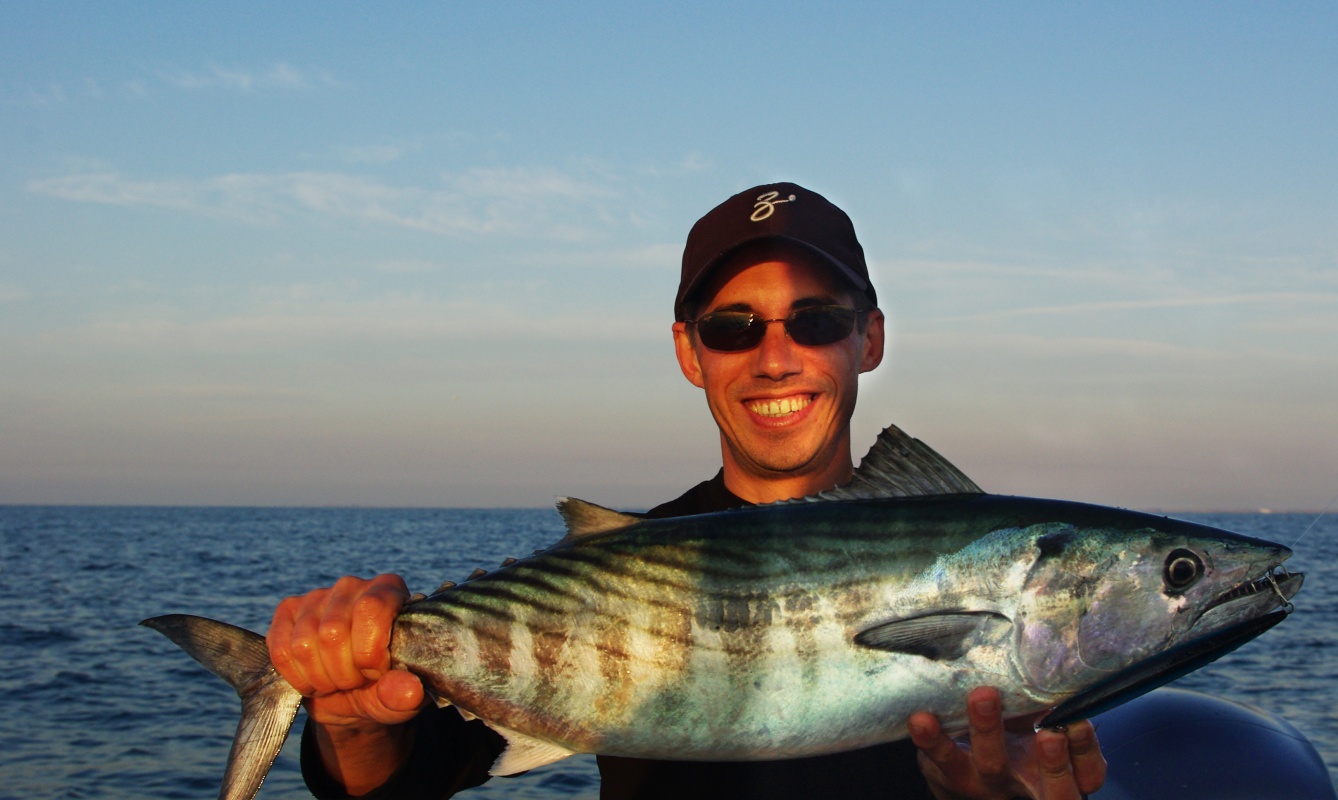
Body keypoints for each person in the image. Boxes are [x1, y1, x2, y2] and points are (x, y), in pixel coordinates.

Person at [266, 183, 1107, 800]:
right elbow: (396, 781)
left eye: (814, 320)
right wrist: (349, 720)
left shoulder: (977, 549)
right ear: (689, 351)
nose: (775, 358)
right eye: (732, 328)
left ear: (870, 337)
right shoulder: (626, 554)